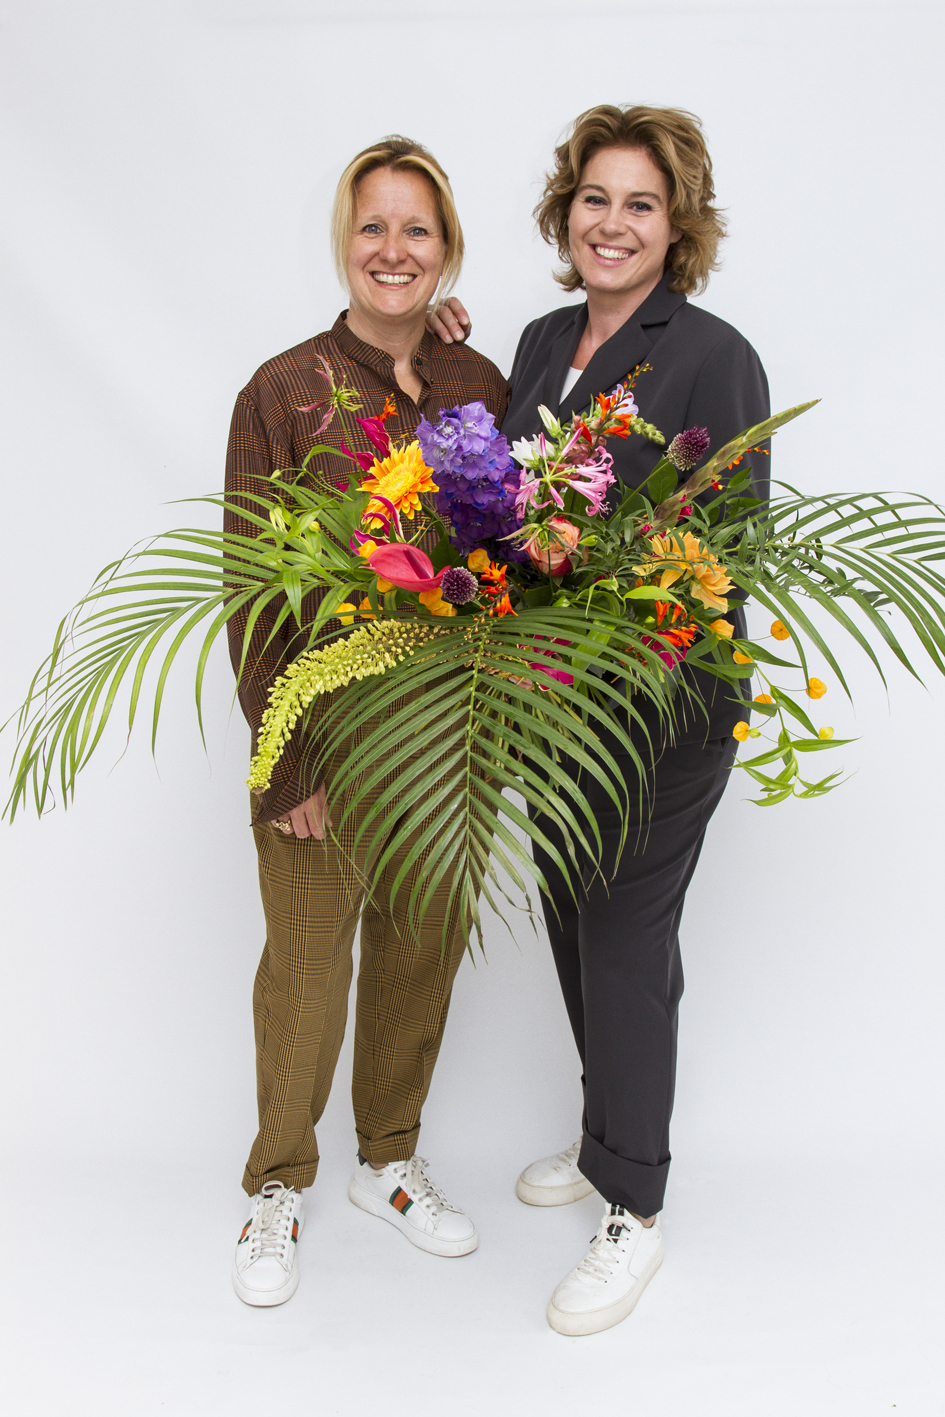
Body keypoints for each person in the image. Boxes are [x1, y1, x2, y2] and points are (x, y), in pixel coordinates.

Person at [430, 104, 770, 1336]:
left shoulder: (712, 353)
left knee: (625, 933)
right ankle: (608, 1133)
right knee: (578, 926)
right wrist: (444, 336)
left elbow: (729, 548)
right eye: (594, 198)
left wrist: (602, 560)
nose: (612, 222)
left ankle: (636, 1205)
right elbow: (495, 491)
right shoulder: (536, 339)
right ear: (564, 212)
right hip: (550, 706)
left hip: (664, 708)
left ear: (677, 226)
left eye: (640, 202)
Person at [224, 136, 508, 1307]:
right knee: (304, 971)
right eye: (373, 227)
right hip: (322, 748)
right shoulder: (284, 389)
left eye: (418, 231)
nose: (394, 251)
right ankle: (278, 1183)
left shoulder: (477, 382)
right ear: (345, 242)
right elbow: (249, 587)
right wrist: (285, 758)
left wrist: (440, 372)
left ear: (447, 250)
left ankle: (387, 1160)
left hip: (446, 742)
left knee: (419, 953)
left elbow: (501, 553)